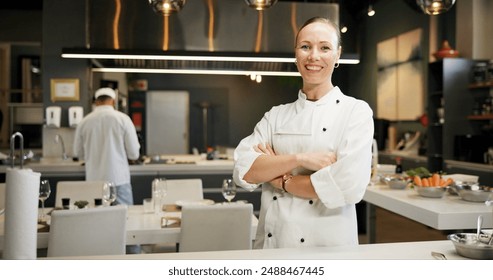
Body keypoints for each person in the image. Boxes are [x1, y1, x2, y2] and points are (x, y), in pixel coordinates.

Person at [233, 17, 374, 249]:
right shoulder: (275, 116)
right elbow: (244, 171)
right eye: (305, 46)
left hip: (328, 248)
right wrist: (301, 159)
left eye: (325, 48)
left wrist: (280, 179)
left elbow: (347, 186)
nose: (314, 56)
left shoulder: (355, 112)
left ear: (337, 55)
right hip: (274, 246)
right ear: (296, 54)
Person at [73, 87, 140, 206]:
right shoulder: (123, 119)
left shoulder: (84, 122)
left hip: (94, 181)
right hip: (119, 179)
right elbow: (134, 154)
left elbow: (78, 154)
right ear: (113, 101)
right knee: (125, 218)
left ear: (96, 102)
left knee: (97, 220)